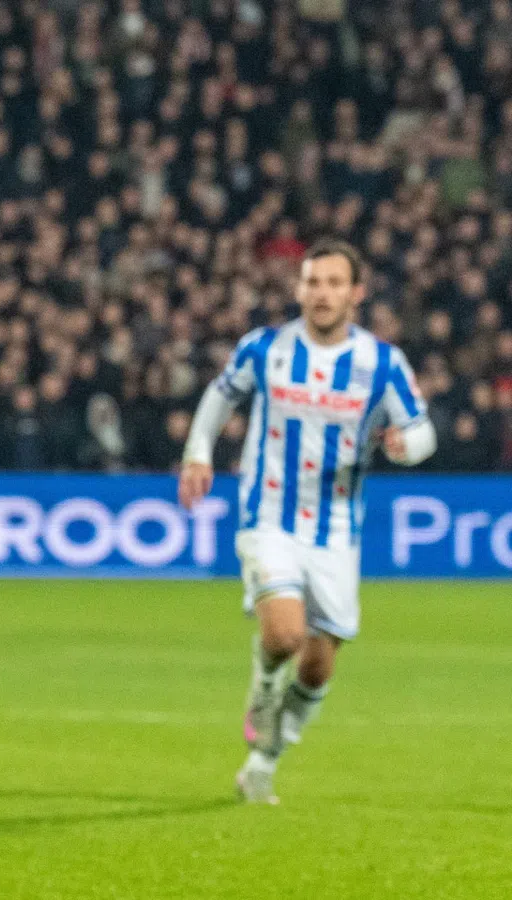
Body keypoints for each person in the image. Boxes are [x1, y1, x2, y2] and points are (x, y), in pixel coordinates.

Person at [179, 240, 435, 804]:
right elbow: (219, 399)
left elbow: (422, 430)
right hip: (268, 516)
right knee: (285, 633)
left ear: (356, 293)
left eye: (334, 283)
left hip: (336, 530)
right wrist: (198, 452)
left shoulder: (382, 362)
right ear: (298, 289)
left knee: (318, 667)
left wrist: (402, 445)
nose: (321, 294)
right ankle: (264, 689)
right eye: (312, 282)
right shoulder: (265, 349)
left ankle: (263, 761)